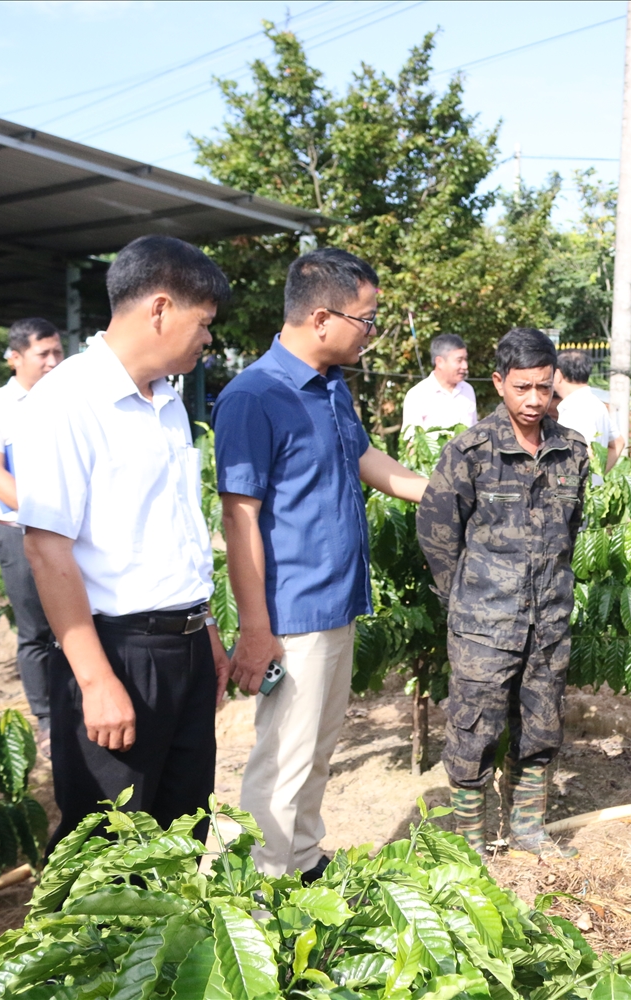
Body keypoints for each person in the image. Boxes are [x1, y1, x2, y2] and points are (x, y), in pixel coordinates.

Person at [214, 248, 429, 882]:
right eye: (367, 320)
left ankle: (301, 860)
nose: (371, 333)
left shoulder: (331, 388)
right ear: (321, 316)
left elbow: (370, 463)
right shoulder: (254, 397)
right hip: (291, 615)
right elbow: (239, 519)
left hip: (337, 602)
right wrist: (256, 630)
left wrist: (445, 489)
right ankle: (262, 894)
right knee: (283, 757)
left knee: (317, 750)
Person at [16, 234, 233, 846]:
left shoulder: (166, 403)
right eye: (204, 323)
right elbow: (47, 547)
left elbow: (174, 531)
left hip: (184, 649)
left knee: (181, 835)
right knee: (109, 853)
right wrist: (95, 679)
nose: (208, 338)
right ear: (160, 309)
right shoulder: (66, 401)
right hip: (118, 651)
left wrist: (206, 630)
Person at [416, 328, 589, 859]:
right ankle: (470, 849)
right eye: (521, 388)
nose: (533, 400)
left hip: (548, 624)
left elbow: (571, 530)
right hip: (483, 627)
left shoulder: (572, 452)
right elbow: (437, 533)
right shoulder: (469, 452)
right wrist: (467, 601)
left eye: (542, 387)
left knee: (541, 730)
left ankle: (529, 832)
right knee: (473, 737)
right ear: (498, 383)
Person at [0, 318, 67, 755]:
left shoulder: (70, 401)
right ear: (15, 357)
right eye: (43, 354)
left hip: (69, 534)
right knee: (37, 631)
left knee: (82, 622)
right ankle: (46, 719)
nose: (53, 362)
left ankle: (76, 704)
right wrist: (48, 517)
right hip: (20, 532)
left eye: (58, 352)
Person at [553, 349, 623, 475]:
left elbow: (586, 451)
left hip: (575, 492)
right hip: (588, 491)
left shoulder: (576, 408)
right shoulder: (596, 403)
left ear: (558, 374)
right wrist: (597, 478)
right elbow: (618, 443)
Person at [401, 333, 479, 434]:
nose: (465, 366)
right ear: (439, 362)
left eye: (465, 360)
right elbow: (412, 442)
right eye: (459, 360)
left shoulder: (468, 390)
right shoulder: (417, 395)